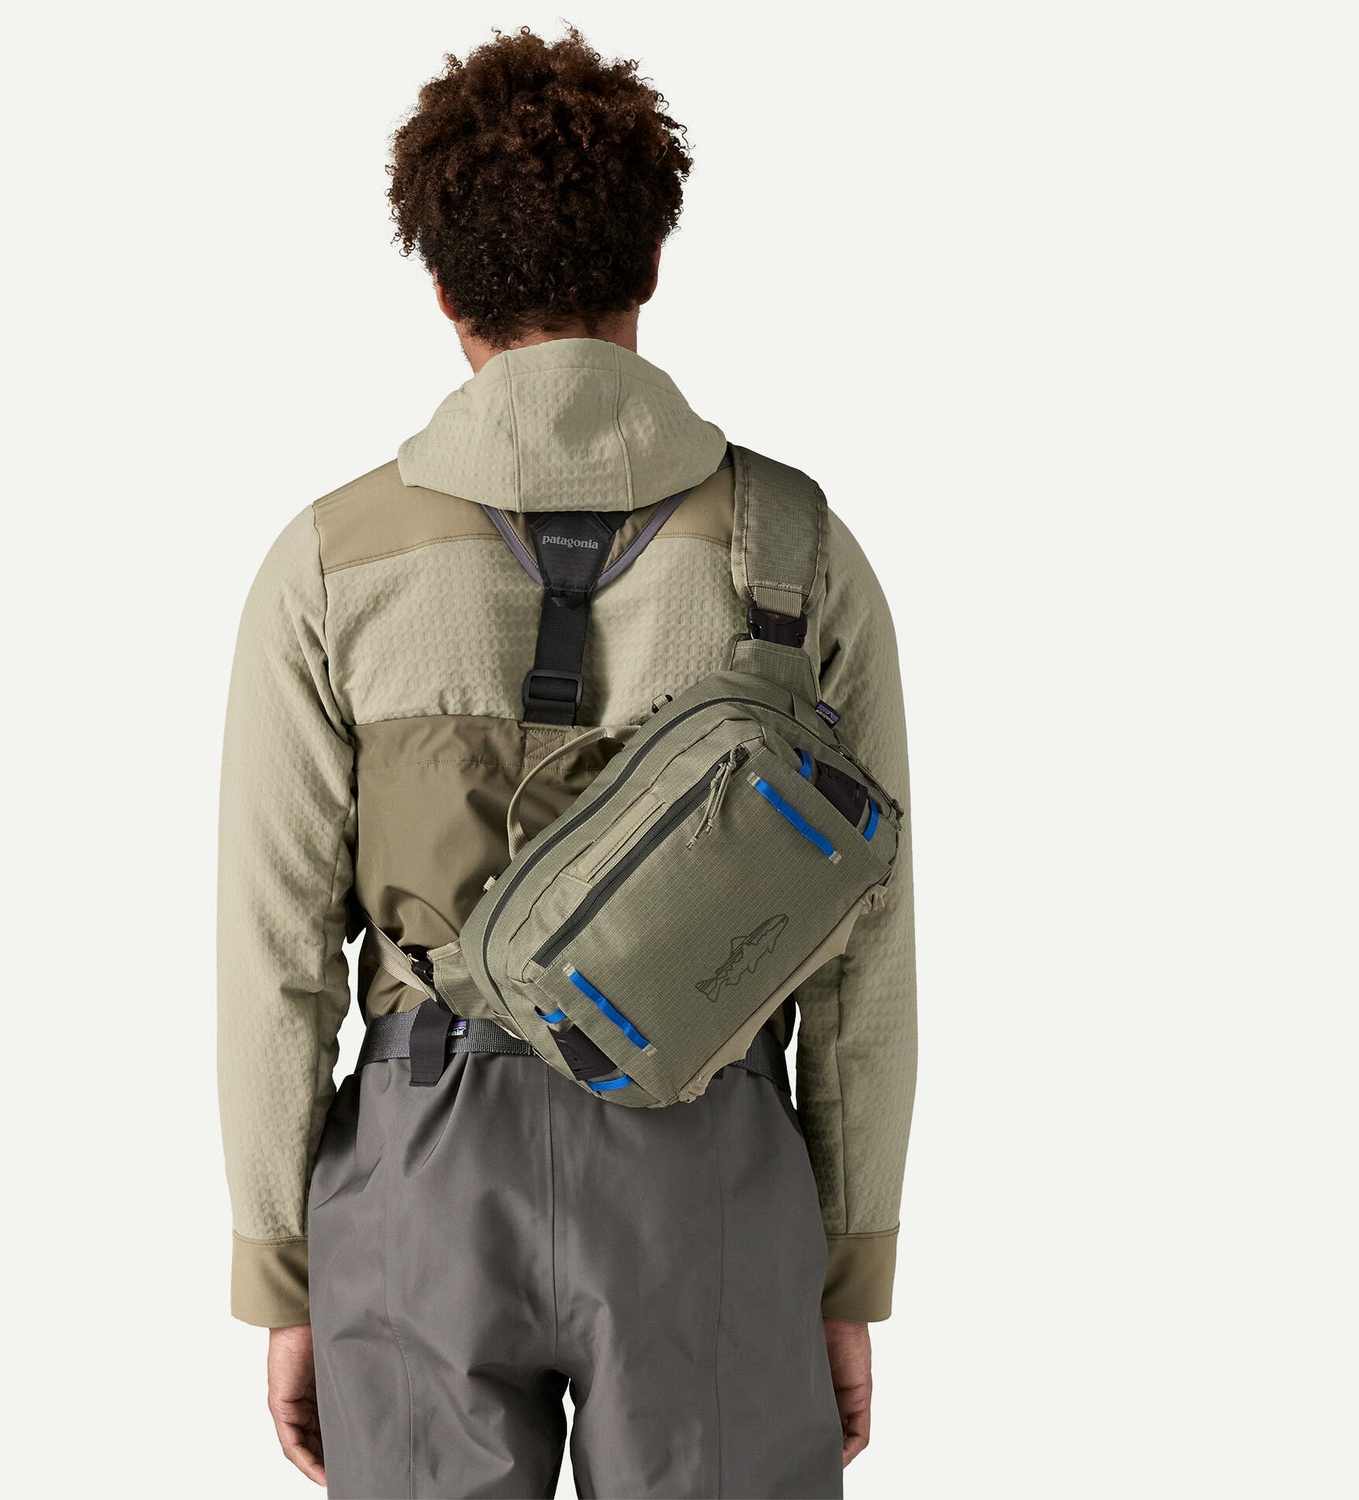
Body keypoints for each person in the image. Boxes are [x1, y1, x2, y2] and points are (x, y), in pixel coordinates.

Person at [217, 23, 918, 1499]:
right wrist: (849, 1265)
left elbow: (274, 949)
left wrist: (280, 1274)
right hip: (709, 1157)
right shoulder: (801, 554)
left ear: (444, 288)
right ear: (649, 265)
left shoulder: (329, 562)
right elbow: (867, 951)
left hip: (417, 1171)